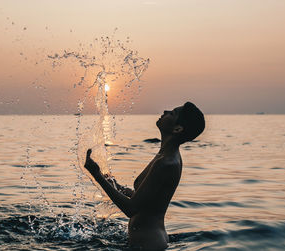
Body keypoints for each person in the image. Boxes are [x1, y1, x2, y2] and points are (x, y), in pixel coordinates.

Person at [84, 102, 205, 250]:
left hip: (148, 244)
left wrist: (97, 175)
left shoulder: (166, 163)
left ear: (177, 129)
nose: (165, 110)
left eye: (172, 113)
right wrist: (115, 185)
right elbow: (144, 200)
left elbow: (131, 209)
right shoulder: (165, 155)